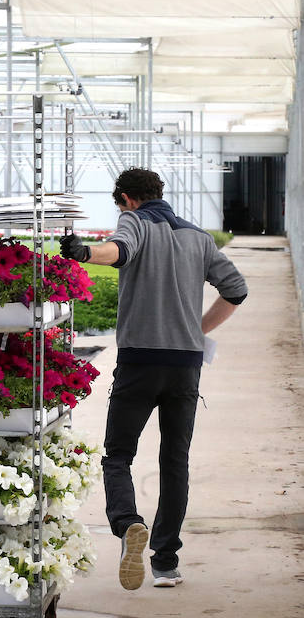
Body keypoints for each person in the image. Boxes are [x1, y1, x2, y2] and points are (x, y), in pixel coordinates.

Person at [60, 168, 247, 590]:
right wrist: (197, 330)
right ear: (159, 193)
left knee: (118, 454)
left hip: (141, 361)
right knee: (174, 460)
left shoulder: (135, 221)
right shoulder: (198, 238)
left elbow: (118, 252)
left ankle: (128, 524)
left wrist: (84, 252)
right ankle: (166, 563)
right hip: (185, 365)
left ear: (126, 198)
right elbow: (236, 288)